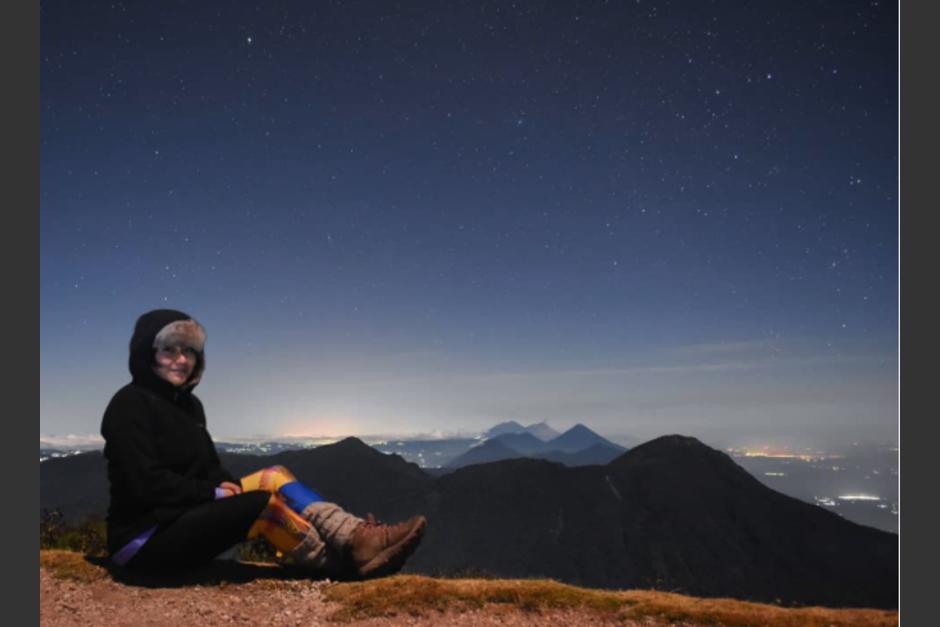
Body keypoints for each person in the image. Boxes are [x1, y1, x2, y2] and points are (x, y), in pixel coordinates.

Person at [100, 308, 427, 578]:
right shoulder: (129, 404)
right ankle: (337, 564)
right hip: (143, 544)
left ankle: (356, 537)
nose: (182, 360)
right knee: (261, 506)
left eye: (189, 351)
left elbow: (208, 467)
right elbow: (145, 483)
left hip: (180, 516)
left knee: (274, 476)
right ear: (147, 354)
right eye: (169, 350)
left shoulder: (189, 407)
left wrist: (222, 484)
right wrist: (214, 495)